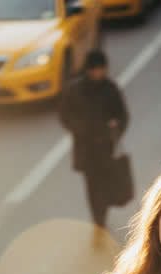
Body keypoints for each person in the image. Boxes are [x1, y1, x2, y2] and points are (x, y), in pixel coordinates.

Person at [60, 49, 129, 240]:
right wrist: (80, 129)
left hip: (106, 148)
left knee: (105, 184)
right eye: (95, 69)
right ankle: (98, 219)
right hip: (85, 149)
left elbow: (122, 116)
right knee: (92, 186)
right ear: (88, 70)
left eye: (101, 69)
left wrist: (114, 131)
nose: (99, 73)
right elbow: (65, 116)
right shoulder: (75, 91)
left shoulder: (110, 89)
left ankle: (102, 214)